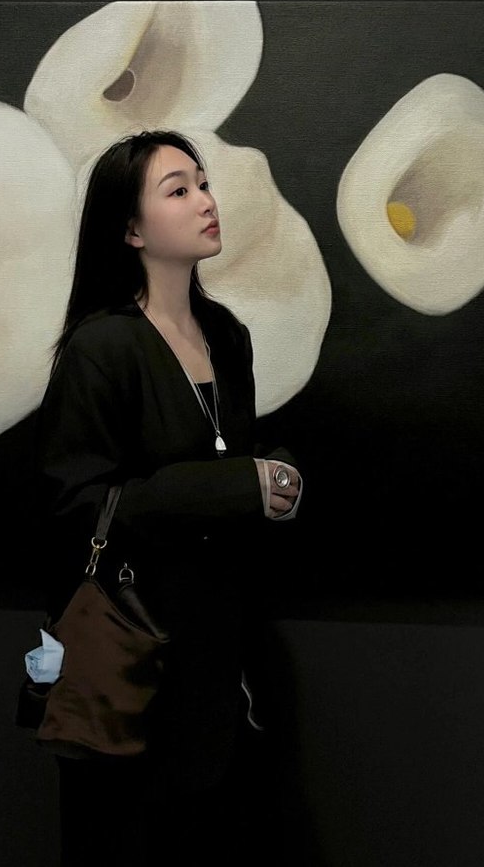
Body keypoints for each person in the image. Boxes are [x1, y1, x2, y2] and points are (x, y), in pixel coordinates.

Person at [32, 129, 303, 866]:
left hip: (224, 657)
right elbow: (76, 507)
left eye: (204, 183)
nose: (206, 201)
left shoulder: (226, 335)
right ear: (131, 230)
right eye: (178, 190)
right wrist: (235, 485)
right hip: (133, 655)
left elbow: (232, 457)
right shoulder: (102, 346)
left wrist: (274, 479)